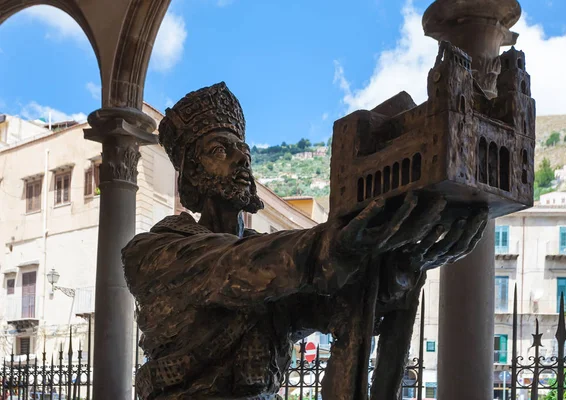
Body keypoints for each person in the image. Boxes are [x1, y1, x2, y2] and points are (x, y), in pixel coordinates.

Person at [122, 82, 487, 400]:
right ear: (192, 175)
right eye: (220, 151)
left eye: (243, 151)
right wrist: (331, 246)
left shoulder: (274, 255)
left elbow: (337, 303)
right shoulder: (156, 253)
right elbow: (234, 267)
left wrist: (402, 264)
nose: (241, 161)